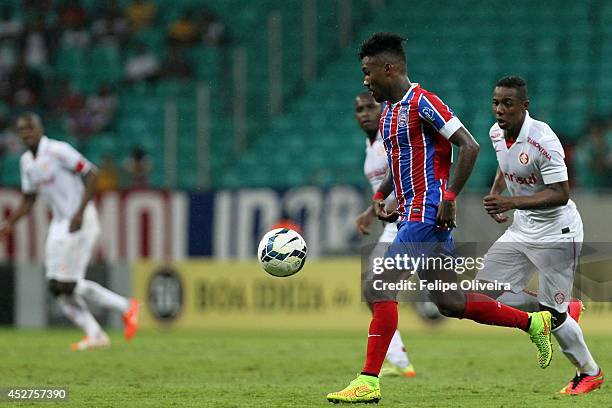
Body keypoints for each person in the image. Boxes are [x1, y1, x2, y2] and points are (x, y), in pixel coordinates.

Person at [327, 33, 553, 404]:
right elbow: (402, 160)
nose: (365, 81)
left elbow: (469, 145)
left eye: (368, 72)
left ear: (389, 68)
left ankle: (368, 380)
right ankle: (533, 322)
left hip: (428, 213)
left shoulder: (423, 102)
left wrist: (449, 197)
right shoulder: (390, 112)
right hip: (414, 213)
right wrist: (383, 195)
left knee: (378, 285)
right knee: (450, 301)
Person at [476, 76, 603, 395]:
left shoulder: (543, 140)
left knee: (554, 317)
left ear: (524, 106)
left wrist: (511, 201)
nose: (499, 109)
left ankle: (590, 373)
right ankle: (562, 310)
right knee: (482, 294)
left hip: (557, 232)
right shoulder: (495, 133)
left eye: (507, 103)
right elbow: (505, 167)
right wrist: (495, 196)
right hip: (522, 228)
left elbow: (561, 193)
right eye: (495, 103)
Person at [0, 113, 139, 350]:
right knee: (56, 287)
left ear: (40, 128)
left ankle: (127, 307)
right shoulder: (26, 162)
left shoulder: (58, 150)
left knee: (66, 284)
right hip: (59, 224)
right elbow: (29, 198)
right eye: (22, 130)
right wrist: (10, 223)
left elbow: (92, 174)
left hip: (81, 220)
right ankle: (95, 334)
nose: (27, 133)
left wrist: (79, 212)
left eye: (31, 128)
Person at [354, 91, 416, 378]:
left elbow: (404, 175)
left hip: (408, 223)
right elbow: (383, 187)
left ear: (382, 109)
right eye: (359, 109)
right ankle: (399, 359)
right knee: (375, 289)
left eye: (370, 107)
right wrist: (370, 211)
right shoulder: (370, 147)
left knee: (374, 288)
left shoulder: (391, 140)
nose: (364, 113)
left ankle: (397, 360)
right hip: (393, 225)